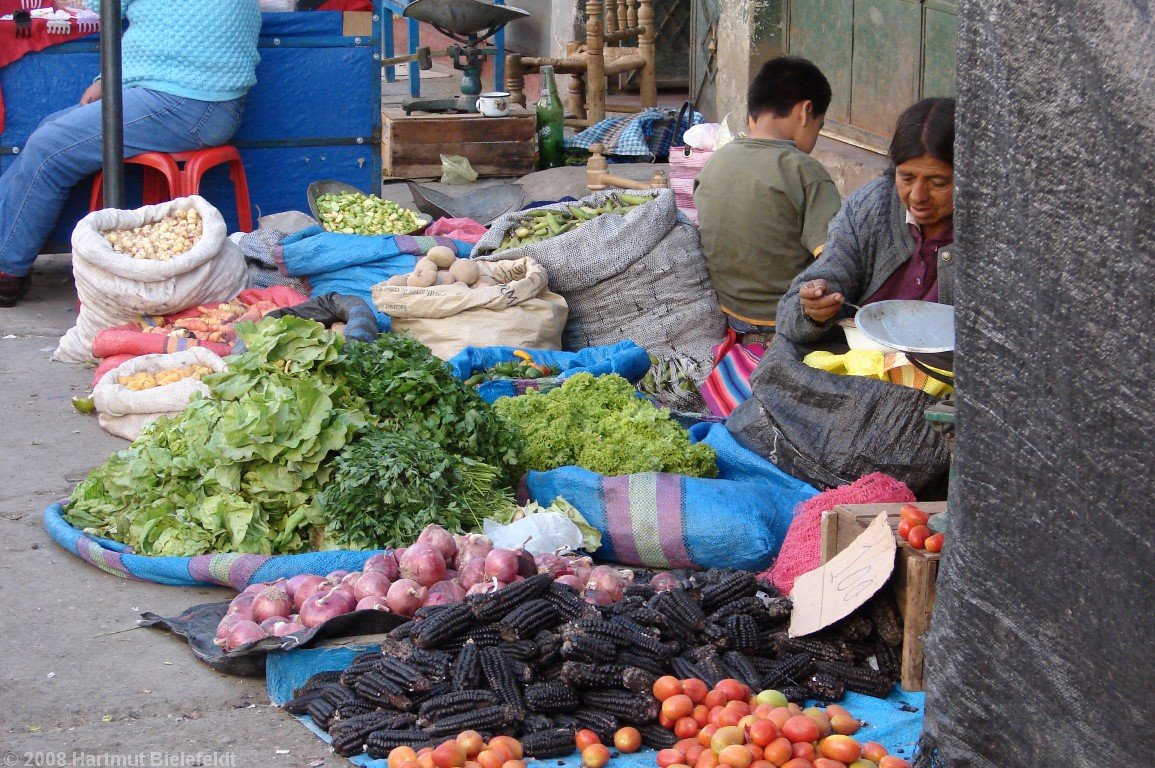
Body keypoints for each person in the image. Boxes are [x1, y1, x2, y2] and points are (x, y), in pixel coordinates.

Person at [0, 0, 261, 307]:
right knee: (50, 130)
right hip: (189, 97)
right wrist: (106, 81)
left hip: (189, 102)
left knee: (48, 145)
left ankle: (6, 271)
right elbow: (167, 37)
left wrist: (110, 82)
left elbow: (102, 7)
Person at [776, 97, 957, 343]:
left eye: (938, 182)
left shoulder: (994, 231)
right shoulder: (871, 206)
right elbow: (792, 314)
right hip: (864, 360)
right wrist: (813, 309)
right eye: (906, 178)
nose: (917, 196)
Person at [694, 56, 842, 339]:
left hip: (723, 311)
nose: (816, 135)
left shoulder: (715, 161)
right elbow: (837, 261)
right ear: (805, 111)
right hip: (782, 322)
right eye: (819, 126)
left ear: (754, 114)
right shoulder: (805, 171)